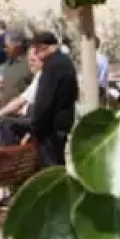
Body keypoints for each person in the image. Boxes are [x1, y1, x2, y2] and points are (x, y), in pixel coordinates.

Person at [28, 31, 78, 168]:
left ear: (43, 48)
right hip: (63, 121)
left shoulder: (52, 66)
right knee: (58, 162)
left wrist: (35, 124)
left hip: (50, 127)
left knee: (50, 166)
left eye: (36, 50)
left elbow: (45, 99)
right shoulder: (65, 61)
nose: (36, 55)